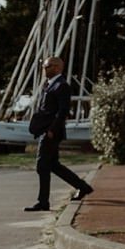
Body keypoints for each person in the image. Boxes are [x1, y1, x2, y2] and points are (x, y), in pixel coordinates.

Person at [24, 56, 93, 211]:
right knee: (53, 165)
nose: (43, 69)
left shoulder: (62, 86)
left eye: (46, 66)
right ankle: (83, 187)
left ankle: (43, 202)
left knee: (42, 165)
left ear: (56, 67)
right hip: (45, 130)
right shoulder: (49, 85)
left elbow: (62, 112)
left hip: (51, 133)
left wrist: (52, 130)